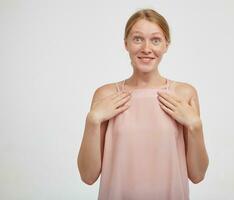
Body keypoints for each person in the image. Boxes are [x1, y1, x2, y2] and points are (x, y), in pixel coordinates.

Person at [77, 8, 209, 200]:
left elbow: (197, 175)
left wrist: (195, 126)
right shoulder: (106, 95)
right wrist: (92, 120)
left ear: (166, 45)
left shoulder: (184, 94)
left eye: (155, 40)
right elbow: (87, 176)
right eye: (138, 39)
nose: (146, 48)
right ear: (126, 44)